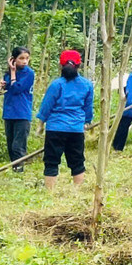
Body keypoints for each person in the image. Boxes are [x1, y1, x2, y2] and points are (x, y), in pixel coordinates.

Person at [36, 50, 94, 190]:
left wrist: (40, 124)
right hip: (76, 129)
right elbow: (88, 107)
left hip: (55, 128)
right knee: (77, 161)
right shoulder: (87, 85)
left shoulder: (56, 85)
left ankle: (50, 192)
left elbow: (47, 106)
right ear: (79, 65)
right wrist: (87, 122)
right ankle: (77, 191)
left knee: (51, 161)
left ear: (60, 66)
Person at [0, 45, 35, 171]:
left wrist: (13, 74)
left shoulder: (29, 73)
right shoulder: (8, 74)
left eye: (27, 58)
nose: (25, 61)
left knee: (18, 145)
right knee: (10, 143)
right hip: (9, 112)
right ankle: (14, 168)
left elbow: (17, 88)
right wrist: (3, 83)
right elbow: (8, 87)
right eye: (21, 58)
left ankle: (19, 169)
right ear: (14, 59)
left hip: (22, 113)